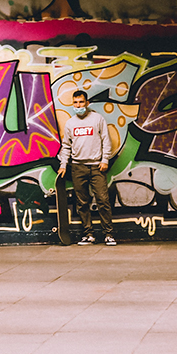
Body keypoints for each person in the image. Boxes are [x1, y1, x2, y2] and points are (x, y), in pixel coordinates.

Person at [57, 90, 116, 246]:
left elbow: (106, 140)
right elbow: (66, 146)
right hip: (78, 167)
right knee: (82, 203)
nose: (78, 105)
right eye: (75, 103)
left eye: (81, 102)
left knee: (103, 200)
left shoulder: (97, 119)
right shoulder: (70, 123)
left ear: (87, 103)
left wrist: (105, 160)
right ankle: (88, 234)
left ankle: (108, 234)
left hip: (97, 166)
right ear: (72, 104)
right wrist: (63, 165)